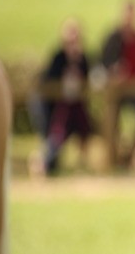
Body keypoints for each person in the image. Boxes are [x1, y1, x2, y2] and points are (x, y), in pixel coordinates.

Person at [39, 19, 94, 175]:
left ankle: (82, 163)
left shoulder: (83, 58)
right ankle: (43, 162)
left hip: (78, 104)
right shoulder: (58, 57)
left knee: (85, 130)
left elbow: (89, 78)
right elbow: (49, 81)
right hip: (61, 105)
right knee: (58, 133)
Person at [100, 0, 135, 169]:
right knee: (114, 124)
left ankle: (129, 158)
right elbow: (103, 62)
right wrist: (114, 71)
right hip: (117, 90)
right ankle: (115, 159)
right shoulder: (113, 37)